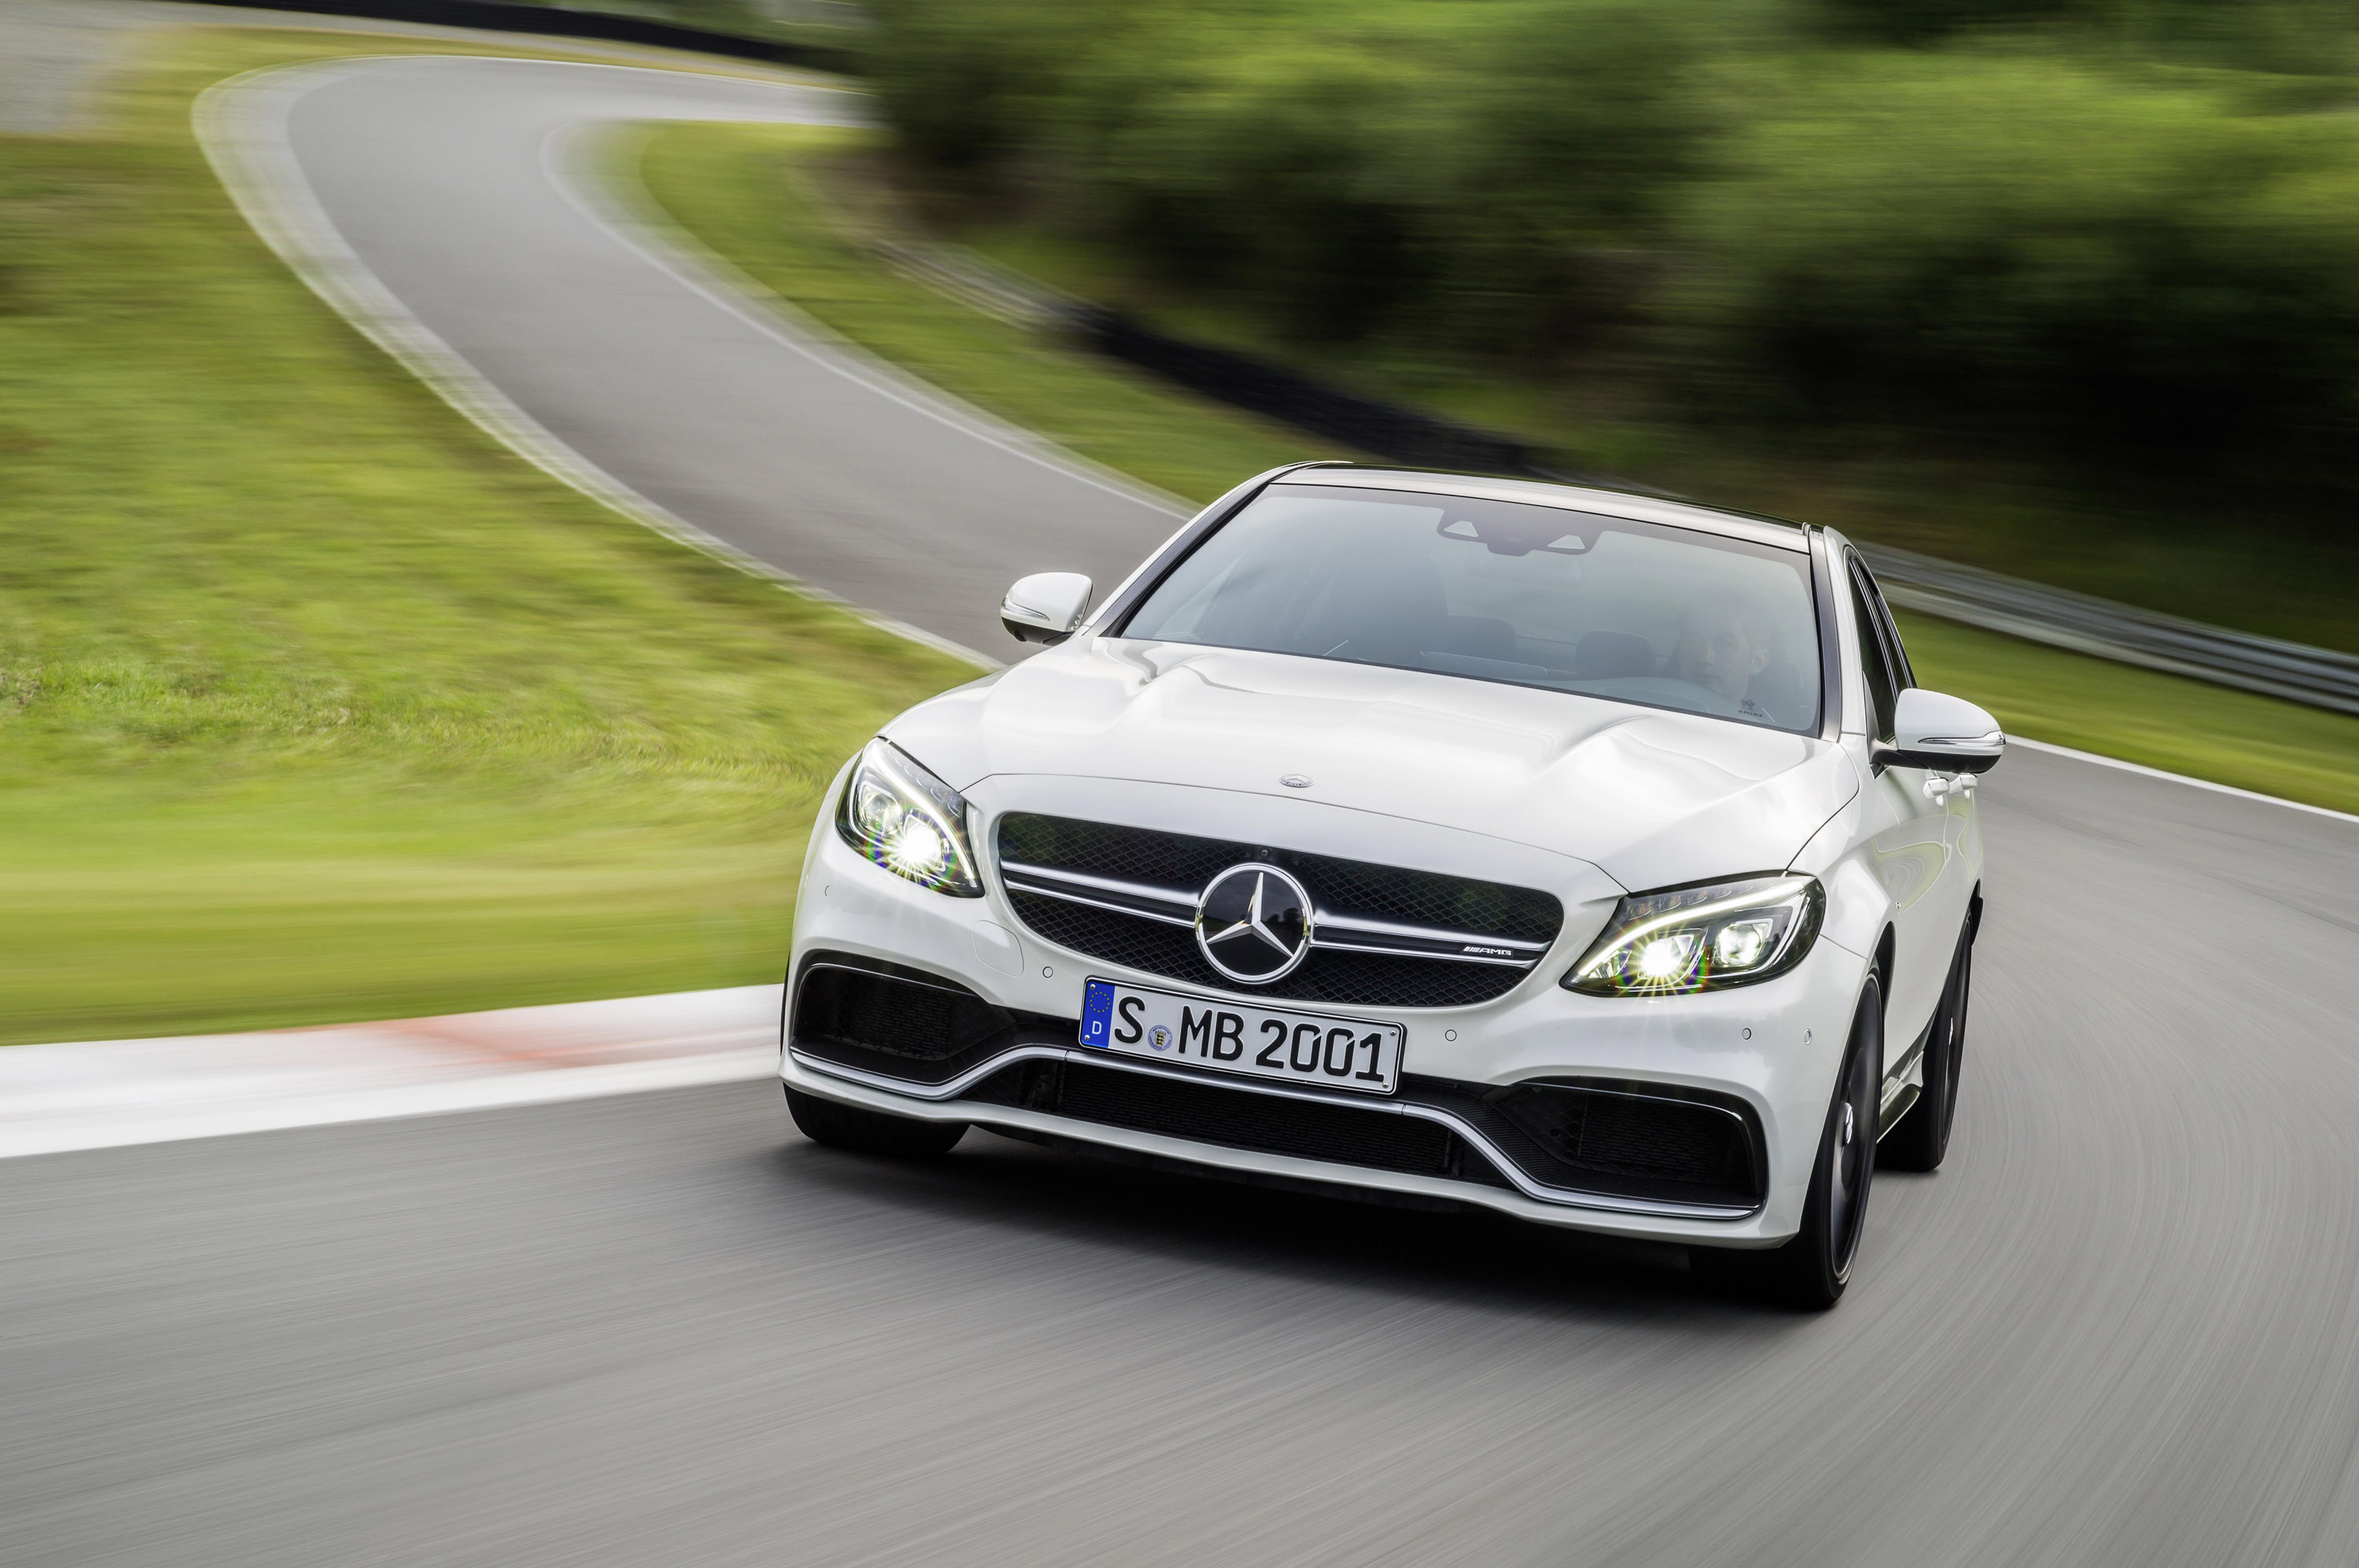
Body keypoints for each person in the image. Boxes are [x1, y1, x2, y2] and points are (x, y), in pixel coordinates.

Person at [1668, 594, 1774, 713]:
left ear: (1757, 662)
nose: (1704, 657)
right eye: (1692, 640)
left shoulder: (1769, 731)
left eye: (1725, 644)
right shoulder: (1646, 706)